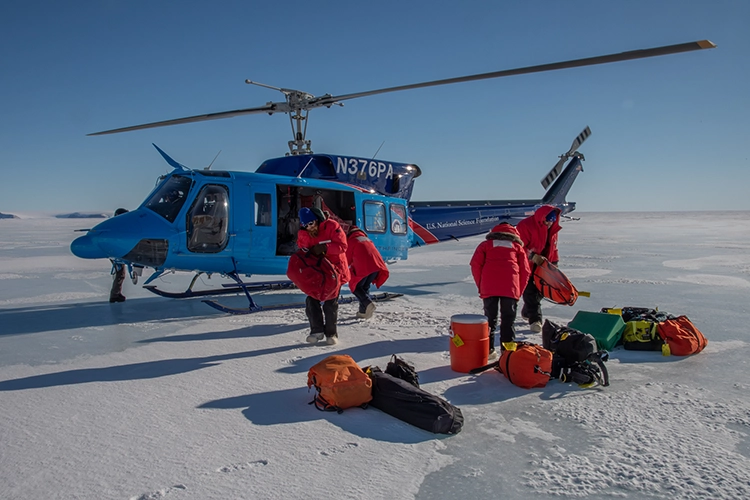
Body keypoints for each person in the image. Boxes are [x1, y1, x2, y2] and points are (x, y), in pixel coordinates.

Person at [470, 222, 530, 359]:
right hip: (511, 287)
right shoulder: (517, 248)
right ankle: (508, 352)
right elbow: (525, 271)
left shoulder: (485, 245)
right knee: (508, 320)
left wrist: (481, 285)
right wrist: (518, 291)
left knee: (489, 320)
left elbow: (475, 265)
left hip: (489, 286)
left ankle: (489, 349)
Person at [296, 207, 350, 345]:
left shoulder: (332, 226)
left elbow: (342, 246)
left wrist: (325, 248)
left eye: (311, 223)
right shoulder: (304, 234)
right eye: (306, 225)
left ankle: (331, 334)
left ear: (317, 219)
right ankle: (316, 331)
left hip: (335, 271)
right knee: (311, 300)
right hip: (319, 273)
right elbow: (303, 249)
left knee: (330, 303)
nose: (309, 227)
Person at [516, 205, 562, 333]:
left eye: (553, 219)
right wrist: (532, 256)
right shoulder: (525, 225)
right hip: (527, 265)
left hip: (545, 265)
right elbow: (519, 247)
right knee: (530, 292)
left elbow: (554, 247)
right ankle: (536, 321)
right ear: (542, 217)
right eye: (548, 219)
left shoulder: (553, 229)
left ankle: (527, 311)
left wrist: (555, 262)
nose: (550, 222)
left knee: (542, 290)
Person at [345, 226, 390, 319]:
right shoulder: (367, 239)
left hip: (364, 268)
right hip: (376, 267)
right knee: (364, 287)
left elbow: (347, 260)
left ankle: (368, 303)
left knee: (356, 287)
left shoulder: (352, 241)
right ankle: (363, 312)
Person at [109, 208, 129, 303]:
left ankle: (117, 293)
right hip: (116, 253)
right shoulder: (118, 226)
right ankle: (115, 295)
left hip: (115, 253)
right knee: (120, 273)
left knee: (120, 273)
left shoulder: (114, 225)